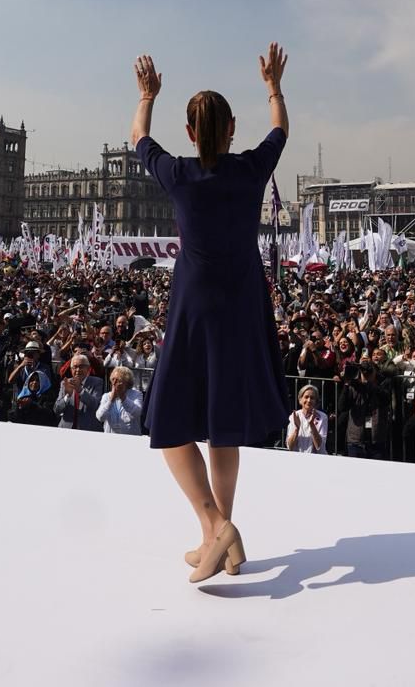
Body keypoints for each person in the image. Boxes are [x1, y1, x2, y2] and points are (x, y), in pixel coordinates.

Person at [131, 44, 289, 582]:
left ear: (190, 132)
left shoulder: (177, 173)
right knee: (224, 423)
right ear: (232, 129)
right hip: (242, 301)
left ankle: (215, 526)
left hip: (195, 302)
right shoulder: (251, 169)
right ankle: (221, 542)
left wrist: (147, 96)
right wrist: (273, 87)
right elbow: (280, 130)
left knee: (169, 421)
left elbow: (138, 137)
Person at [54, 353, 104, 430]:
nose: (78, 370)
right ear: (71, 370)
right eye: (75, 367)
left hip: (88, 429)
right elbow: (57, 410)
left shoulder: (97, 382)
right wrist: (67, 396)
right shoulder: (65, 383)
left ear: (88, 368)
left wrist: (80, 390)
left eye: (81, 366)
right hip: (66, 428)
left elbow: (96, 405)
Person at [95, 365, 145, 435]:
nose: (114, 383)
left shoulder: (136, 394)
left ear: (127, 382)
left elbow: (137, 413)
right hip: (110, 437)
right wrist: (111, 400)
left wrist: (122, 397)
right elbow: (100, 417)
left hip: (131, 437)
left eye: (118, 380)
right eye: (113, 379)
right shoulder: (106, 396)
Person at [286, 384, 328, 453]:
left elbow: (319, 446)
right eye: (306, 397)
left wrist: (312, 424)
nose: (309, 400)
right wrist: (297, 429)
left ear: (316, 401)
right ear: (300, 400)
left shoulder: (322, 417)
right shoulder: (294, 416)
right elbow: (290, 446)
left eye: (312, 398)